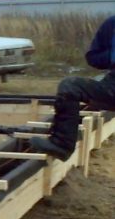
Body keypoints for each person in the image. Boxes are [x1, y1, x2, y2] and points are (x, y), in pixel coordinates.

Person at [30, 15, 115, 160]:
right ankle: (62, 145)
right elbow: (93, 57)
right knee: (70, 86)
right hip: (112, 85)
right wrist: (112, 56)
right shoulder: (112, 24)